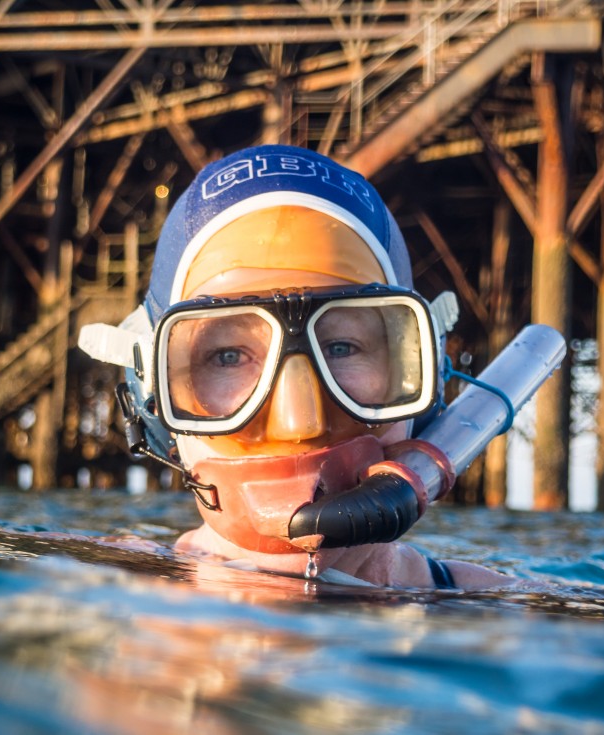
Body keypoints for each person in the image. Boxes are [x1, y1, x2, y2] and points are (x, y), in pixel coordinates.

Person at [88, 144, 513, 590]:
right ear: (152, 399)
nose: (299, 423)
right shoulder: (102, 599)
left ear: (419, 375)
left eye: (343, 348)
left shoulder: (507, 615)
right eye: (229, 356)